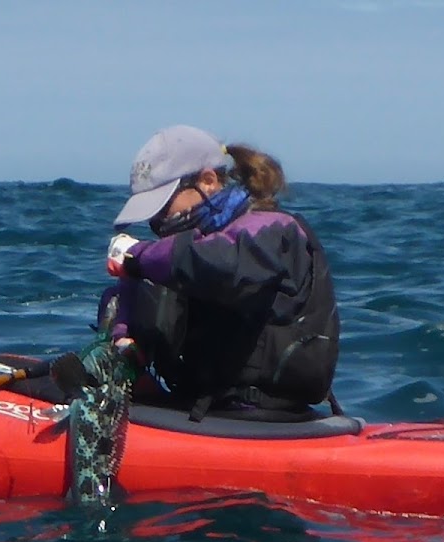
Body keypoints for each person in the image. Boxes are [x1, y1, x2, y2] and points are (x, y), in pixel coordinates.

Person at [99, 124, 340, 421]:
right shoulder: (197, 244)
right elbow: (167, 275)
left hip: (263, 413)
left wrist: (138, 256)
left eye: (164, 207)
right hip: (205, 404)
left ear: (209, 181)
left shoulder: (270, 228)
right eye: (153, 215)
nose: (159, 222)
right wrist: (124, 335)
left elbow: (222, 267)